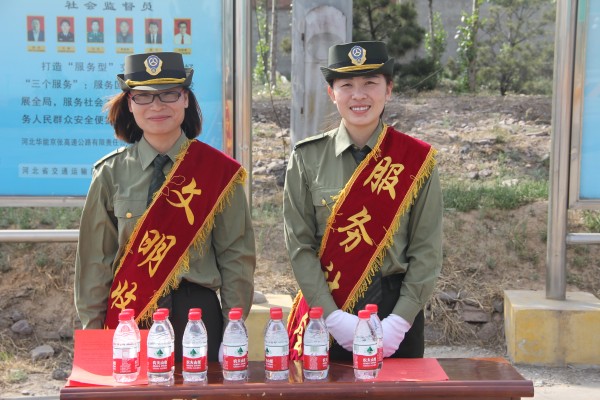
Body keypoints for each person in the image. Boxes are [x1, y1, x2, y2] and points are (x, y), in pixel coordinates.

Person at [74, 52, 255, 362]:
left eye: (169, 93)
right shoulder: (110, 174)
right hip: (130, 317)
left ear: (185, 98)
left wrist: (233, 327)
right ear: (130, 103)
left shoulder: (217, 172)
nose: (157, 106)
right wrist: (94, 334)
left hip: (197, 317)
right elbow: (95, 261)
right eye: (144, 96)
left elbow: (236, 256)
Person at [284, 41, 443, 361]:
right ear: (332, 93)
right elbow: (299, 246)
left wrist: (400, 320)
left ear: (389, 90)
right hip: (330, 308)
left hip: (396, 310)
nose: (359, 95)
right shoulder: (306, 158)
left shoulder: (415, 160)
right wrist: (332, 317)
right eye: (346, 85)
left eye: (370, 83)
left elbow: (427, 249)